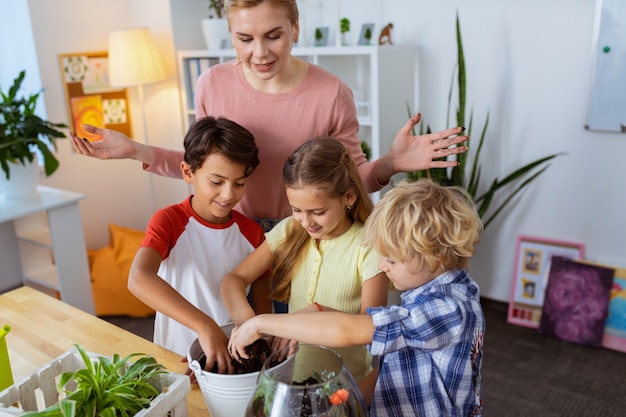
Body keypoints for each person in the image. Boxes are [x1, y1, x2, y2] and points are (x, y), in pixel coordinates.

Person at [70, 0, 468, 230]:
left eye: (273, 35)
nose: (259, 53)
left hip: (304, 234)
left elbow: (348, 182)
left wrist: (391, 163)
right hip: (229, 231)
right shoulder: (211, 83)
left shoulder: (332, 93)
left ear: (295, 28)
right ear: (232, 37)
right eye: (245, 39)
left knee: (298, 361)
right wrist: (135, 150)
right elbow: (201, 167)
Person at [228, 179, 486, 417]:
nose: (382, 266)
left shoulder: (447, 308)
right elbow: (396, 364)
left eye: (392, 259)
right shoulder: (441, 293)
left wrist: (259, 323)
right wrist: (347, 401)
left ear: (435, 257)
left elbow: (350, 330)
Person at [221, 137, 389, 382]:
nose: (306, 222)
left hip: (345, 386)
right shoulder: (291, 229)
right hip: (293, 379)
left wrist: (314, 312)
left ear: (349, 197)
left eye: (318, 212)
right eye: (296, 209)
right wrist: (248, 324)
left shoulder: (369, 246)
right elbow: (234, 279)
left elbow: (371, 327)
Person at [127, 116, 272, 375]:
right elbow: (138, 278)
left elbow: (260, 311)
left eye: (239, 183)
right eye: (216, 182)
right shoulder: (170, 221)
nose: (229, 194)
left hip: (228, 363)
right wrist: (205, 327)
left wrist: (255, 349)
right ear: (187, 172)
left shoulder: (253, 234)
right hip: (174, 359)